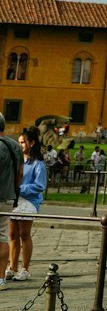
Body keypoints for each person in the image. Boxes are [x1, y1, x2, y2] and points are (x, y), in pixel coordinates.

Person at [7, 127, 47, 283]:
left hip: (29, 201)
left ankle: (25, 268)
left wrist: (20, 189)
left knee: (24, 234)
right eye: (19, 142)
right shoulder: (17, 160)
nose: (20, 145)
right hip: (14, 199)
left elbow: (39, 185)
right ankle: (12, 267)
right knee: (12, 235)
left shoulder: (38, 163)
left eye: (23, 142)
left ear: (32, 142)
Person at [0, 114, 23, 285]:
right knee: (2, 236)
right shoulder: (15, 146)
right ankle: (0, 277)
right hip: (8, 197)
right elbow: (20, 175)